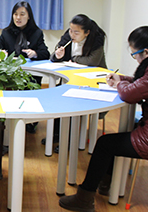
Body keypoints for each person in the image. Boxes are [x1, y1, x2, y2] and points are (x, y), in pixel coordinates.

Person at [59, 21, 148, 212]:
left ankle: (85, 197)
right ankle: (106, 185)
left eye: (134, 54)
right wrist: (122, 80)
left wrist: (119, 85)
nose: (135, 59)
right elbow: (143, 83)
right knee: (119, 136)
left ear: (146, 53)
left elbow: (130, 95)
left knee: (105, 144)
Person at [0, 1, 50, 133]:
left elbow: (46, 53)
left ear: (29, 17)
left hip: (30, 75)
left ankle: (30, 121)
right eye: (15, 14)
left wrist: (35, 53)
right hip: (10, 75)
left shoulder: (36, 33)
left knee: (31, 86)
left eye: (22, 14)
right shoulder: (7, 33)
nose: (18, 18)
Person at [45, 14, 107, 147]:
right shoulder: (68, 36)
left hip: (93, 80)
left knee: (74, 102)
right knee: (58, 96)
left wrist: (74, 60)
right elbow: (53, 56)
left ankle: (69, 140)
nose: (72, 34)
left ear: (87, 33)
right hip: (72, 77)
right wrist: (57, 55)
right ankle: (56, 134)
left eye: (76, 32)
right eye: (70, 30)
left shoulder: (97, 39)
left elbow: (92, 61)